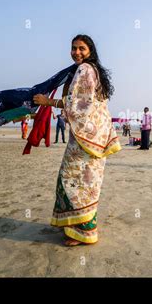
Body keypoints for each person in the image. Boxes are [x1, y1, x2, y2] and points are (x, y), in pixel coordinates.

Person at [33, 34, 121, 246]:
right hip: (95, 138)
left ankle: (82, 231)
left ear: (90, 50)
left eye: (81, 48)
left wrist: (48, 102)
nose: (76, 52)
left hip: (85, 140)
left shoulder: (85, 70)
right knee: (88, 182)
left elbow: (79, 103)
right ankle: (82, 228)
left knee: (71, 180)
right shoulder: (95, 71)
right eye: (73, 48)